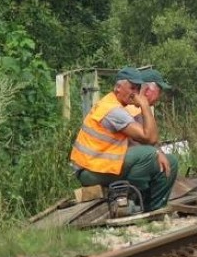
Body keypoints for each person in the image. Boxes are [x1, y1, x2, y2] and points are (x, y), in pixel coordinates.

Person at [70, 66, 178, 212]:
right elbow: (150, 139)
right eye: (132, 88)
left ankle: (154, 209)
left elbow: (148, 140)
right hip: (89, 170)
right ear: (118, 88)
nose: (135, 93)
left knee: (170, 162)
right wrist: (145, 105)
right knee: (149, 154)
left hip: (102, 164)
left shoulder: (119, 105)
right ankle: (130, 199)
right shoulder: (113, 110)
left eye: (137, 88)